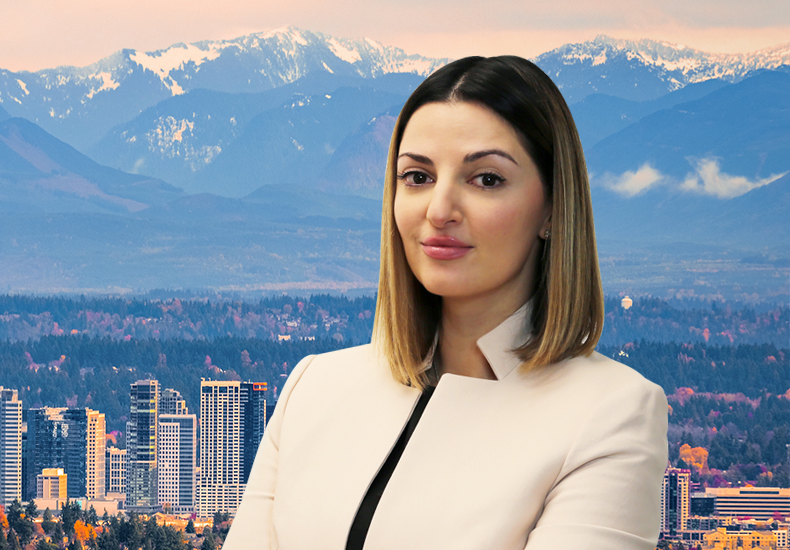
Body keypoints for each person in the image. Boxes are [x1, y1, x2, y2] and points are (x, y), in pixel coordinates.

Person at [222, 56, 668, 550]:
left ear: (553, 208)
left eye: (486, 179)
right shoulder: (313, 389)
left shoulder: (610, 415)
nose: (439, 210)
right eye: (417, 177)